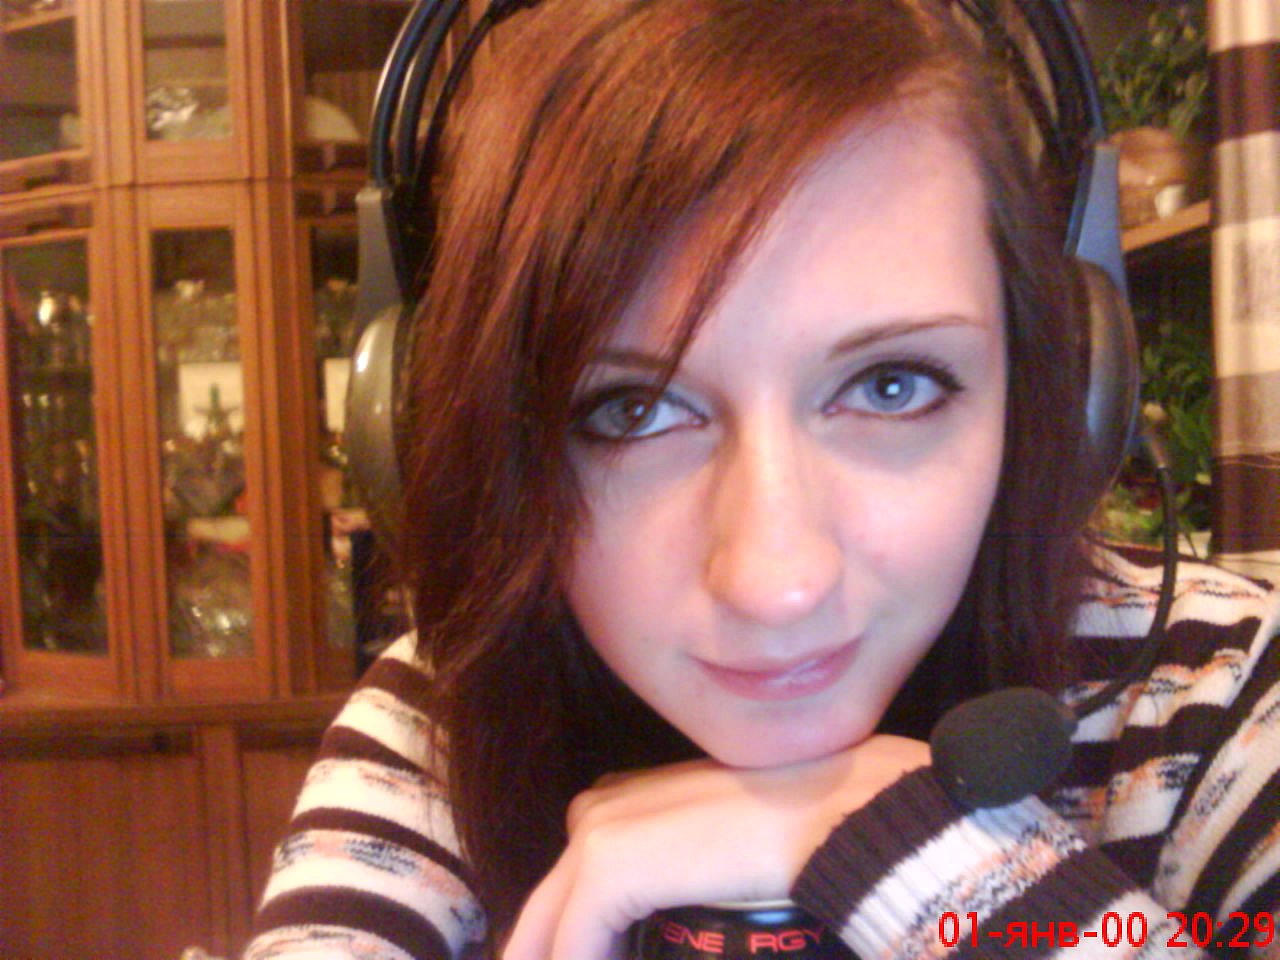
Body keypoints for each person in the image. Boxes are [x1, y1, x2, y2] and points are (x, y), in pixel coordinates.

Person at [245, 1, 1280, 958]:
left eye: (889, 385)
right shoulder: (441, 729)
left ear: (1059, 385)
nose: (775, 582)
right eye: (631, 411)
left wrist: (905, 846)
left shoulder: (1214, 693)